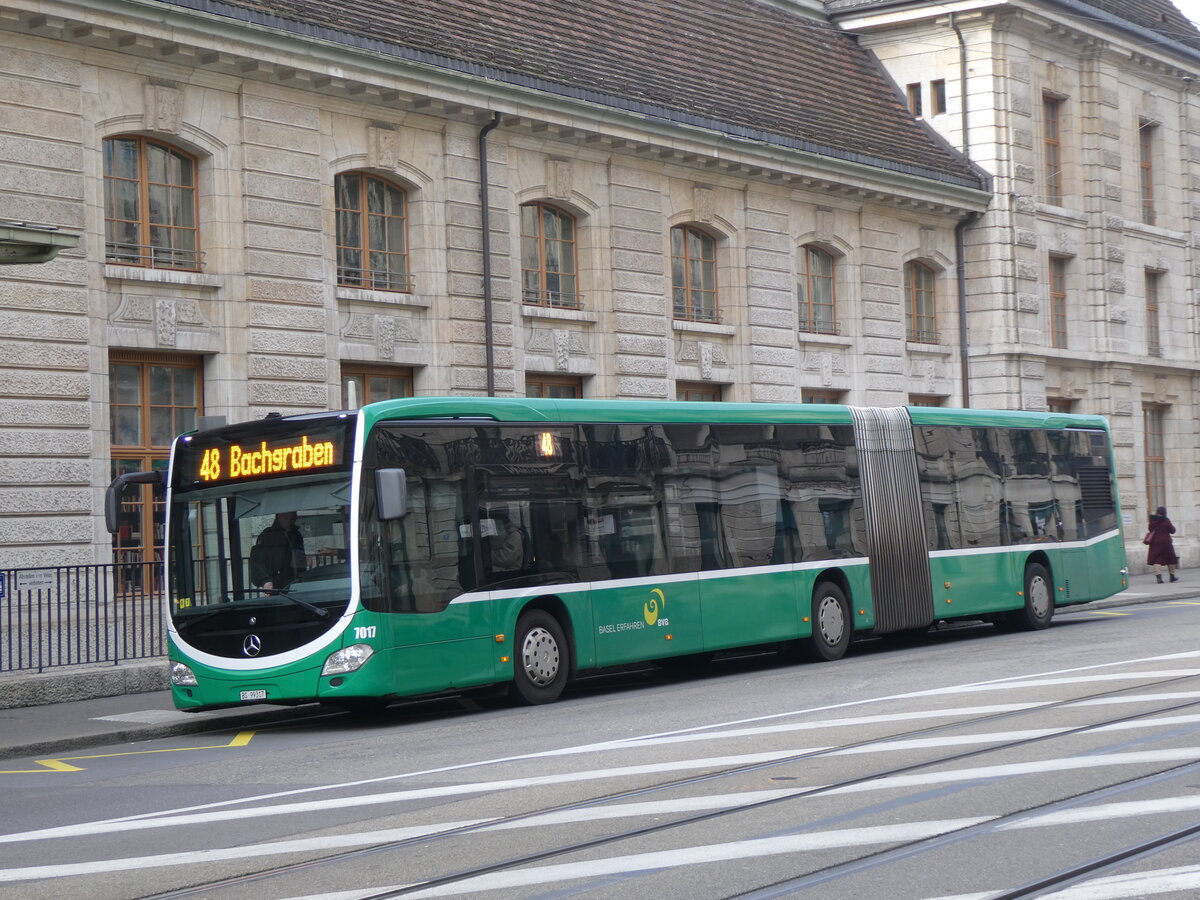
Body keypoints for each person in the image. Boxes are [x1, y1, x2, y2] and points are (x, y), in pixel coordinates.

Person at [250, 511, 307, 590]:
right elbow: (258, 561)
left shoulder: (296, 535)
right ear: (278, 517)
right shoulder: (268, 535)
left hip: (297, 581)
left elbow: (299, 558)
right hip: (275, 583)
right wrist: (265, 581)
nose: (291, 520)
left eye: (293, 518)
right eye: (285, 517)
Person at [1145, 506, 1179, 584]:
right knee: (1171, 559)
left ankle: (1159, 578)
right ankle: (1172, 576)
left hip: (1155, 542)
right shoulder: (1166, 520)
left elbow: (1150, 529)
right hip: (1166, 542)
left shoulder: (1152, 520)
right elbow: (1172, 530)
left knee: (1157, 560)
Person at [488, 509, 526, 576]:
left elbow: (505, 559)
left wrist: (486, 555)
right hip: (500, 568)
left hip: (509, 572)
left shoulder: (514, 535)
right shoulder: (500, 532)